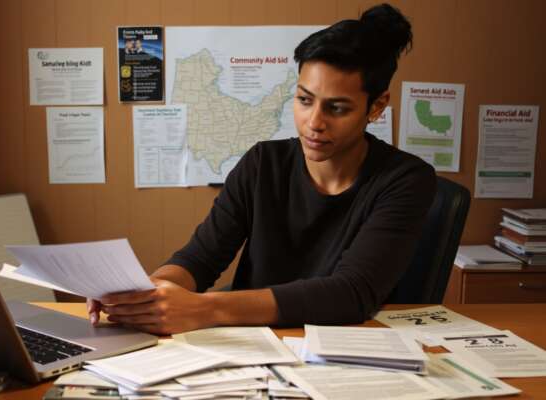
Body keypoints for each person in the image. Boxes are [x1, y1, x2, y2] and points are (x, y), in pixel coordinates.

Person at [90, 3, 436, 334]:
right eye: (304, 100)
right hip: (251, 346)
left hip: (341, 351)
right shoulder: (262, 163)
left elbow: (351, 293)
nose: (314, 123)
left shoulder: (405, 179)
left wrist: (203, 309)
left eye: (338, 108)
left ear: (376, 107)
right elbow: (199, 259)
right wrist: (141, 294)